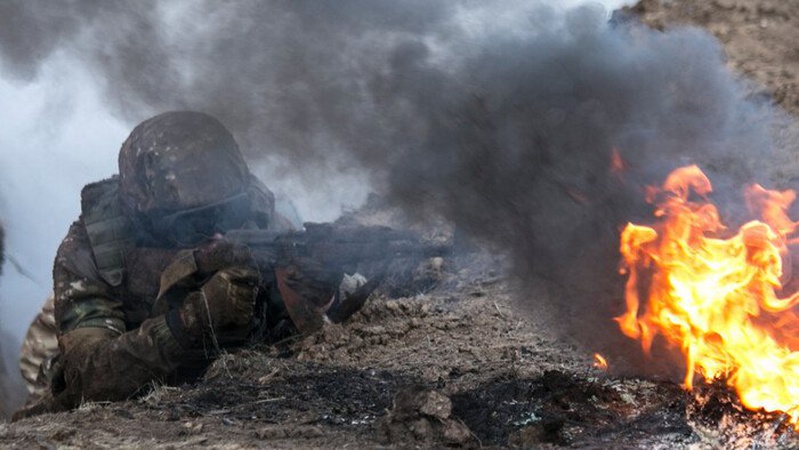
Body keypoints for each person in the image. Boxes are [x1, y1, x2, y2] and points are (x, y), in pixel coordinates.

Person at [14, 111, 364, 419]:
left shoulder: (258, 215)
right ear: (147, 218)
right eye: (195, 223)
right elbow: (89, 379)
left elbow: (317, 324)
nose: (219, 230)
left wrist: (321, 297)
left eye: (229, 212)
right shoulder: (91, 254)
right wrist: (190, 321)